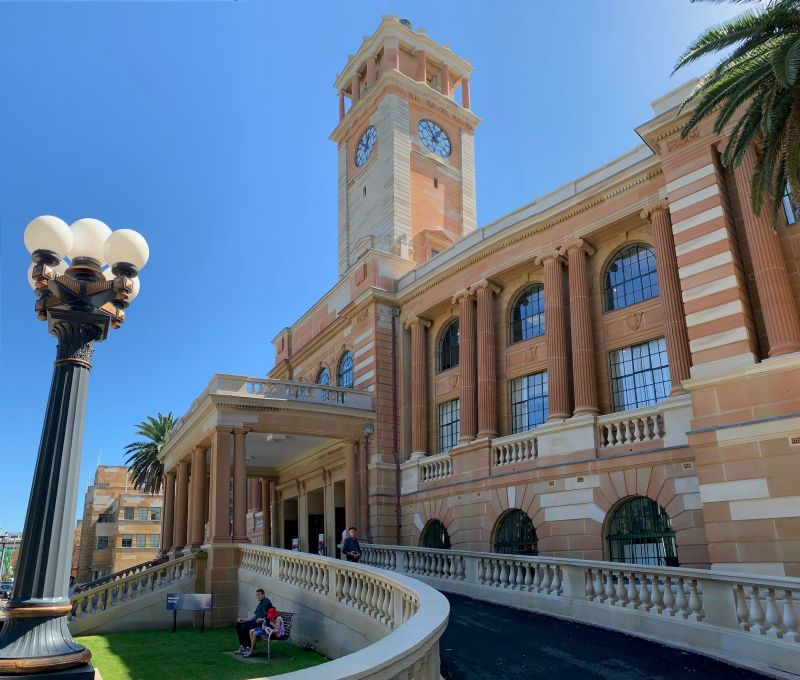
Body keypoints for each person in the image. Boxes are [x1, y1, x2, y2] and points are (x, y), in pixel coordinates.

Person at [235, 588, 273, 654]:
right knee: (239, 624)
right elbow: (253, 616)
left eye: (259, 594)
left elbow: (269, 614)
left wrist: (263, 619)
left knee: (244, 627)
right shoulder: (259, 604)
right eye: (256, 595)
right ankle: (242, 646)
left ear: (263, 594)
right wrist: (244, 620)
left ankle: (248, 647)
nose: (257, 596)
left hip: (260, 623)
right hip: (254, 621)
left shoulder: (266, 601)